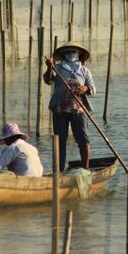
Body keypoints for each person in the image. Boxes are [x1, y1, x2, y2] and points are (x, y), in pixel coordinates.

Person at [43, 41, 96, 171]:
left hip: (79, 109)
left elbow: (93, 89)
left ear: (78, 54)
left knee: (83, 139)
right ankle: (59, 170)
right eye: (67, 52)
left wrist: (86, 88)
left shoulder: (84, 70)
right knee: (60, 140)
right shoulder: (58, 68)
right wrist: (50, 67)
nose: (70, 54)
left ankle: (86, 168)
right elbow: (48, 80)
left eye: (73, 51)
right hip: (60, 109)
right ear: (62, 54)